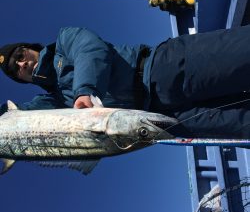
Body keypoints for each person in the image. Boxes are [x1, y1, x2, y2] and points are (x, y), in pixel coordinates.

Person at [1, 25, 250, 140]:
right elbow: (18, 117)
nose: (21, 65)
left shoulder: (65, 41)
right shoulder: (52, 101)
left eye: (20, 56)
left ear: (30, 49)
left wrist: (85, 91)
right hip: (158, 120)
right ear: (21, 79)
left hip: (163, 68)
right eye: (16, 70)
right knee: (241, 123)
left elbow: (91, 50)